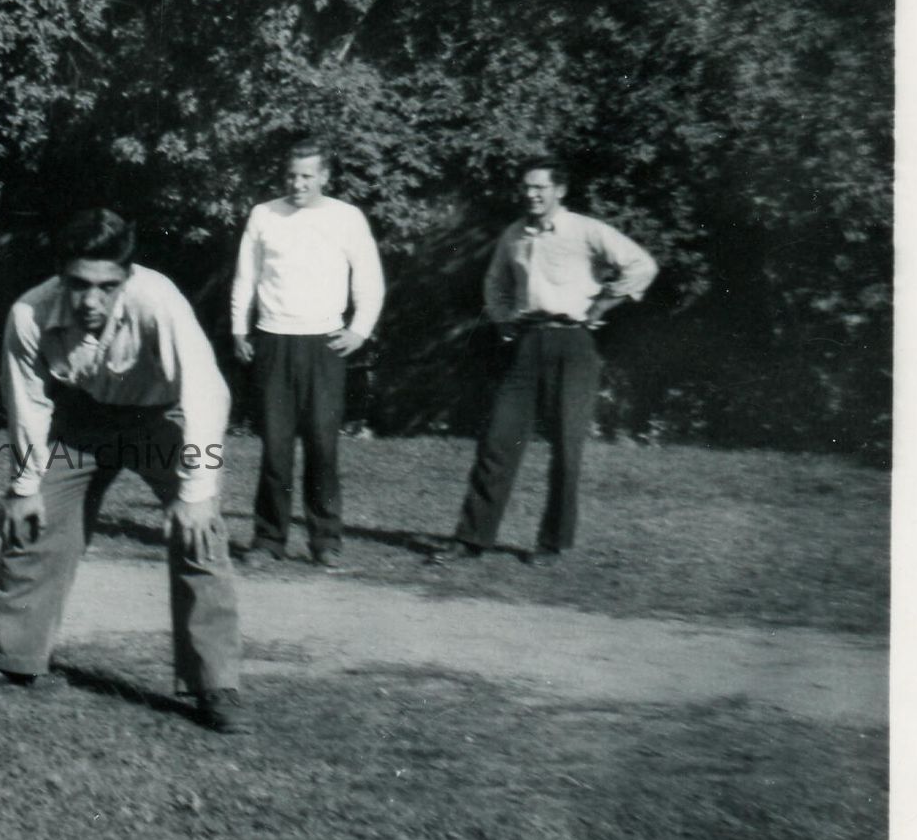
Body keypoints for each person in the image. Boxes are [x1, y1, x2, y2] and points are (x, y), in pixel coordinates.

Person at [0, 209, 246, 731]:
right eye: (79, 285)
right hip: (83, 419)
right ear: (61, 276)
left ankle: (215, 684)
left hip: (162, 417)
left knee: (200, 534)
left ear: (127, 276)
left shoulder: (158, 301)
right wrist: (24, 486)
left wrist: (197, 493)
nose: (91, 301)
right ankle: (17, 660)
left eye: (107, 287)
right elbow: (27, 402)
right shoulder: (29, 313)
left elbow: (206, 393)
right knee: (31, 520)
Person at [435, 157, 658, 566]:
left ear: (560, 190)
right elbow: (495, 283)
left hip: (573, 344)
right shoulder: (514, 234)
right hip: (526, 344)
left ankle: (552, 544)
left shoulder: (585, 230)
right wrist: (504, 320)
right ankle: (470, 539)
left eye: (540, 187)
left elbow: (642, 265)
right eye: (526, 187)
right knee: (498, 441)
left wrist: (603, 304)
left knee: (567, 447)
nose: (531, 194)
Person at [228, 136, 385, 572]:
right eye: (291, 176)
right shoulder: (264, 215)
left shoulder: (347, 218)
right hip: (273, 340)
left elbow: (369, 280)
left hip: (324, 345)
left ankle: (325, 540)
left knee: (322, 444)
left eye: (307, 176)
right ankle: (268, 539)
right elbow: (245, 278)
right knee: (275, 449)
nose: (298, 184)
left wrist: (359, 330)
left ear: (324, 176)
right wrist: (239, 329)